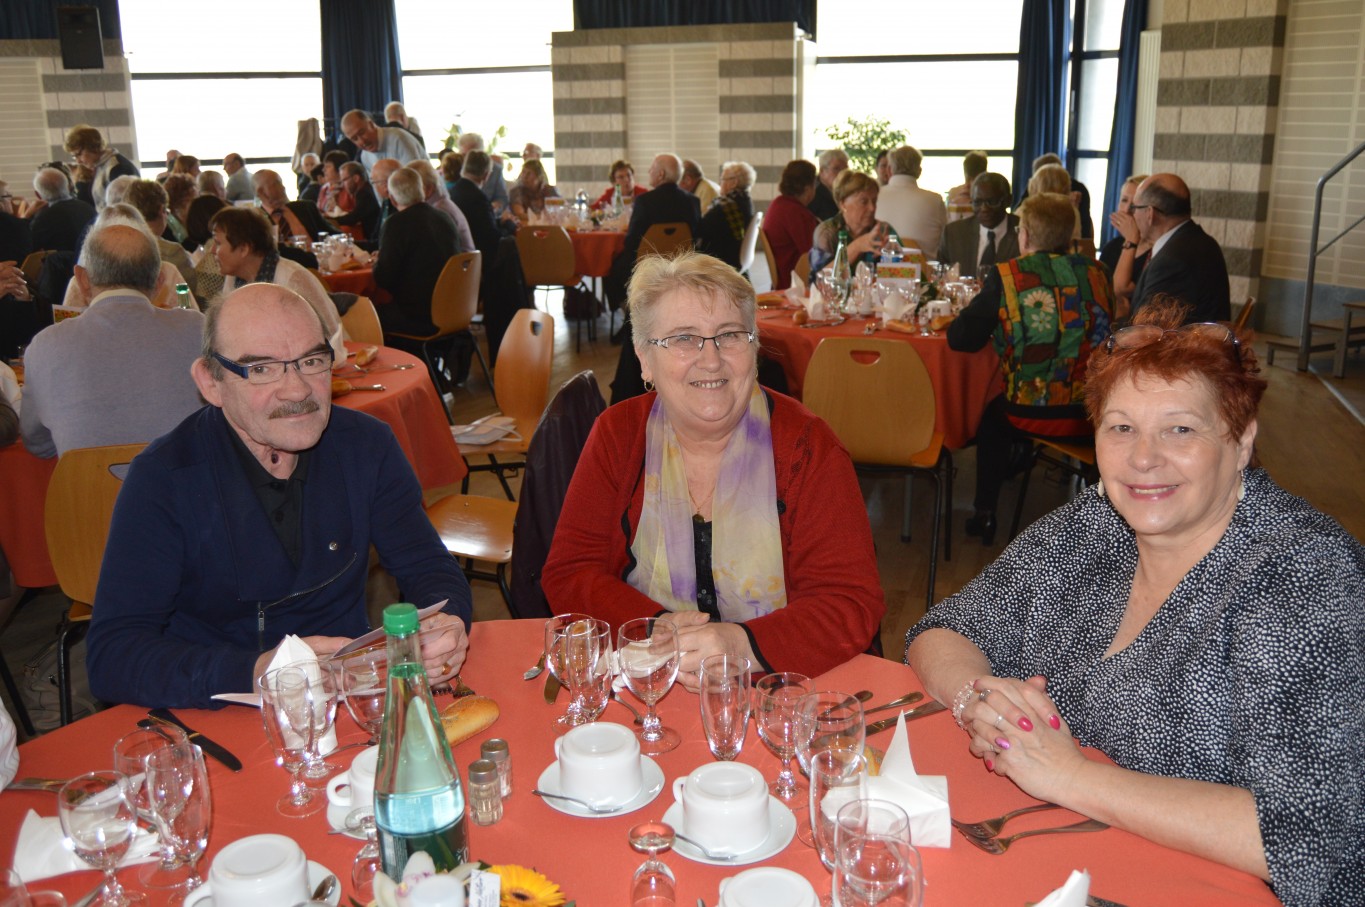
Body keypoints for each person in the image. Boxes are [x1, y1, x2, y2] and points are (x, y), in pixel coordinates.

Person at [906, 295, 1365, 906]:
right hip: (1073, 862)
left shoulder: (1304, 575)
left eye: (1181, 429)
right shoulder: (1095, 524)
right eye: (1121, 427)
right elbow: (942, 629)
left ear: (1241, 440)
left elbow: (1304, 838)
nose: (1144, 458)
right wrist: (979, 702)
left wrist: (1069, 775)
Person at [86, 284, 473, 709]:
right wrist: (255, 672)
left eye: (311, 361)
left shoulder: (366, 446)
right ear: (211, 382)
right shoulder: (165, 479)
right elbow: (112, 656)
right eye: (262, 369)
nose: (297, 390)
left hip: (349, 701)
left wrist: (447, 622)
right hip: (215, 711)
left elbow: (428, 566)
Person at [542, 252, 885, 687]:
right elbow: (570, 572)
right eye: (683, 338)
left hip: (785, 692)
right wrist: (657, 629)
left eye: (730, 335)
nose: (710, 359)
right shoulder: (619, 434)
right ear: (645, 359)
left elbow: (850, 601)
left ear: (754, 348)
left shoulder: (808, 447)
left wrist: (740, 645)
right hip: (651, 683)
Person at [947, 193, 1114, 544]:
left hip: (1026, 410)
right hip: (1091, 412)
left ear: (1024, 235)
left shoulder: (1009, 276)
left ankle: (985, 513)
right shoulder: (1098, 273)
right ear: (1069, 236)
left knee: (991, 418)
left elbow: (961, 339)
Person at [21, 217, 203, 459]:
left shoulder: (46, 345)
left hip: (85, 484)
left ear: (82, 279)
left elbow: (37, 444)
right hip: (183, 481)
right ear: (160, 282)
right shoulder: (199, 330)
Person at [210, 206, 344, 361]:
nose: (212, 250)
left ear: (244, 249)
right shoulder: (234, 279)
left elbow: (329, 336)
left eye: (218, 243)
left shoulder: (292, 278)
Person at [450, 151, 531, 366]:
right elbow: (491, 240)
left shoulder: (456, 191)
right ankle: (515, 344)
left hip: (465, 264)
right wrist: (508, 225)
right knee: (509, 253)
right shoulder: (476, 197)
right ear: (486, 174)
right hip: (483, 267)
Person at [1129, 173, 1231, 324]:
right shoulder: (1200, 240)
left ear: (1150, 213)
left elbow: (1147, 329)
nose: (1132, 214)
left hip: (1184, 340)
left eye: (1135, 208)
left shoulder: (1171, 261)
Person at [373, 167, 463, 337]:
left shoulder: (396, 224)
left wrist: (377, 262)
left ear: (392, 199)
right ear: (422, 191)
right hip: (453, 308)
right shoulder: (444, 218)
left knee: (364, 314)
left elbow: (384, 279)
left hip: (418, 315)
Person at [810, 169, 895, 275]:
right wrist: (857, 246)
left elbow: (905, 270)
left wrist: (891, 256)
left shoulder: (883, 230)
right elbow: (820, 278)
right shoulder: (827, 232)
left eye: (874, 201)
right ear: (843, 204)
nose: (872, 208)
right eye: (863, 202)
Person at [937, 172, 1020, 278]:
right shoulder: (954, 234)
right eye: (977, 202)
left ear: (1008, 201)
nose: (984, 208)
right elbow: (940, 277)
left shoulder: (1024, 232)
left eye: (992, 201)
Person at [875, 145, 947, 259]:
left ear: (889, 170)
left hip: (880, 268)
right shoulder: (935, 200)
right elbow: (946, 239)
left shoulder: (873, 197)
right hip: (924, 270)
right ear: (919, 171)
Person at [124, 179, 197, 287]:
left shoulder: (116, 248)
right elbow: (188, 291)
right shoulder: (172, 252)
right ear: (161, 210)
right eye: (167, 211)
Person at [762, 160, 820, 290]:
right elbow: (814, 254)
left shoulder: (777, 204)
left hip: (783, 276)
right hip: (794, 282)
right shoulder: (797, 213)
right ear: (807, 189)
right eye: (815, 184)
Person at [1099, 174, 1151, 318]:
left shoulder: (1156, 251)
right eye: (1124, 200)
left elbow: (1120, 290)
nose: (1127, 209)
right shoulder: (1111, 247)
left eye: (1134, 204)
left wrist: (1131, 239)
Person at [695, 161, 755, 271]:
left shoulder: (726, 206)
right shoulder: (745, 200)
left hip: (722, 259)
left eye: (722, 179)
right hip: (734, 255)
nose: (720, 183)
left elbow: (701, 230)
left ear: (734, 183)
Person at [64, 124, 139, 211]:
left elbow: (125, 208)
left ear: (92, 146)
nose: (78, 161)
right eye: (74, 156)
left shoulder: (117, 168)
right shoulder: (101, 166)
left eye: (79, 154)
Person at [253, 169, 337, 242]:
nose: (283, 187)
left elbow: (334, 234)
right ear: (261, 192)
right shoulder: (257, 222)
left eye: (281, 183)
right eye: (276, 184)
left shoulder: (306, 208)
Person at [28, 167, 95, 252]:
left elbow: (29, 247)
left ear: (38, 195)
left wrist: (26, 217)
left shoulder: (42, 218)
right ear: (69, 186)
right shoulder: (88, 208)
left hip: (62, 260)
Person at [341, 109, 426, 171]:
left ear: (371, 125)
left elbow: (414, 179)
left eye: (362, 133)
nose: (362, 141)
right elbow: (377, 188)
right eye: (355, 139)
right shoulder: (365, 156)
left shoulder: (399, 139)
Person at [456, 133, 509, 214]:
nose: (468, 160)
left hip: (487, 212)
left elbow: (502, 198)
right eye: (464, 155)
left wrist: (496, 206)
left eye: (472, 155)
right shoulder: (454, 168)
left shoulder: (495, 169)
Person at [331, 162, 381, 241]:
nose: (343, 185)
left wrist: (331, 221)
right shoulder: (364, 191)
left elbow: (353, 218)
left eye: (344, 180)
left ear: (356, 178)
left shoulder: (365, 194)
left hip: (374, 241)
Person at [946, 150, 988, 222]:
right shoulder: (989, 194)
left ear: (965, 172)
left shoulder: (953, 193)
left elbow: (948, 220)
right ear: (985, 172)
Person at [808, 148, 848, 222]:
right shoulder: (812, 194)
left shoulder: (847, 192)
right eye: (836, 169)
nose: (841, 173)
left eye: (845, 169)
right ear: (822, 171)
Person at [316, 150, 354, 217]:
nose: (323, 170)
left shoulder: (350, 186)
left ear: (339, 168)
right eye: (324, 166)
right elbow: (319, 211)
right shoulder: (324, 188)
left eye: (328, 166)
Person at [163, 174, 197, 248]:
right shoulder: (166, 231)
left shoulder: (191, 225)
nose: (198, 204)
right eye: (193, 200)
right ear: (178, 204)